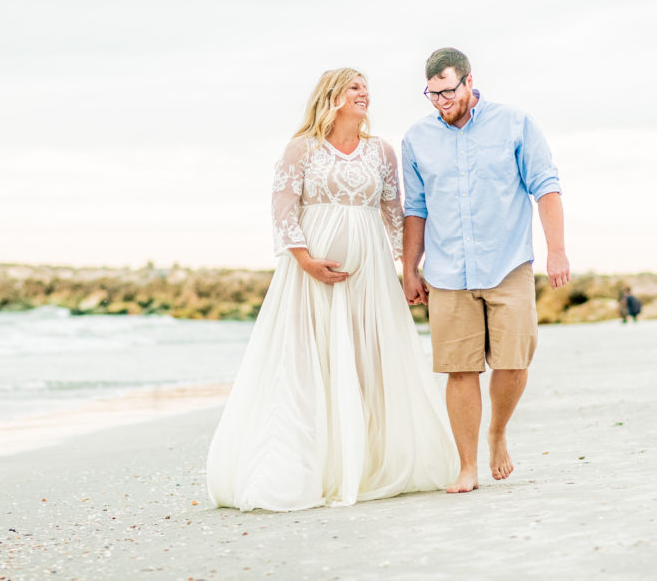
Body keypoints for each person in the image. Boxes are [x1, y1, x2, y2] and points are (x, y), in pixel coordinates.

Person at [207, 68, 459, 511]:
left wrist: (410, 269)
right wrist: (304, 260)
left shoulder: (381, 151)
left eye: (367, 88)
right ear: (332, 95)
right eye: (355, 87)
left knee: (366, 362)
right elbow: (283, 207)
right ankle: (312, 466)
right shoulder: (301, 149)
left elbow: (393, 212)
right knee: (309, 363)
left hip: (370, 276)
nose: (365, 94)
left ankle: (364, 464)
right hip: (308, 277)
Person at [401, 48, 570, 494]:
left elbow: (546, 187)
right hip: (447, 270)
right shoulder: (416, 138)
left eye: (449, 91)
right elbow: (415, 209)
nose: (441, 101)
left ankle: (498, 432)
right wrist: (409, 269)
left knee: (514, 363)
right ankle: (467, 466)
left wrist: (557, 252)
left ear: (469, 81)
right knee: (460, 370)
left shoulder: (514, 123)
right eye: (432, 94)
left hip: (508, 263)